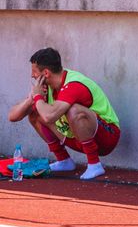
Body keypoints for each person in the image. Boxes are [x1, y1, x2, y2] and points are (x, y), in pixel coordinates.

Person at [8, 47, 121, 180]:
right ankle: (64, 160)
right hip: (77, 138)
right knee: (35, 112)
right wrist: (31, 99)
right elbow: (12, 116)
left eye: (34, 72)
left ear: (46, 73)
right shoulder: (46, 86)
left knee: (73, 110)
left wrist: (38, 97)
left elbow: (49, 117)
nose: (32, 76)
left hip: (106, 137)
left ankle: (94, 164)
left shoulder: (74, 84)